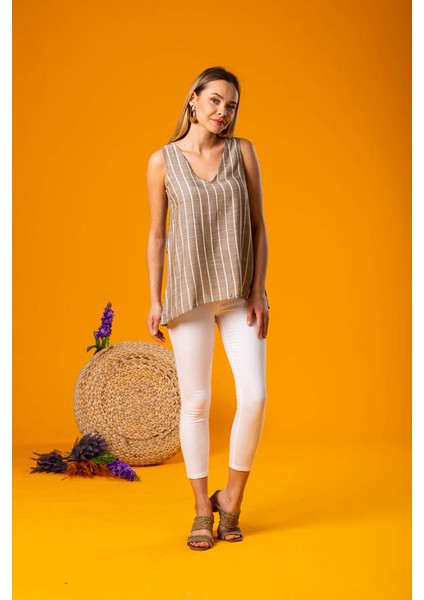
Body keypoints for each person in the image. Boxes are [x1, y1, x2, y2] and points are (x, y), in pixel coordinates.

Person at [146, 66, 270, 550]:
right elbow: (157, 235)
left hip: (239, 294)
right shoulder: (162, 161)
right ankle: (202, 509)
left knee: (254, 397)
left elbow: (258, 226)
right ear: (193, 100)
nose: (223, 112)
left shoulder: (243, 153)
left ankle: (231, 499)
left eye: (231, 105)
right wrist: (154, 298)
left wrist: (259, 291)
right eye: (215, 100)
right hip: (188, 294)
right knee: (196, 402)